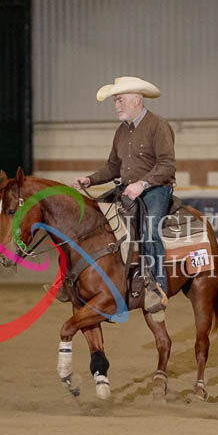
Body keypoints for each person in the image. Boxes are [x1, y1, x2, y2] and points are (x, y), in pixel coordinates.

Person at [74, 76, 175, 315]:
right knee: (93, 220)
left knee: (149, 230)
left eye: (119, 100)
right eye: (115, 101)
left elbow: (167, 164)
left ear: (136, 100)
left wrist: (143, 183)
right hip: (127, 190)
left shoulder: (158, 125)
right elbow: (113, 167)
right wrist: (90, 179)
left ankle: (157, 289)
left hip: (156, 189)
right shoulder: (121, 131)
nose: (116, 105)